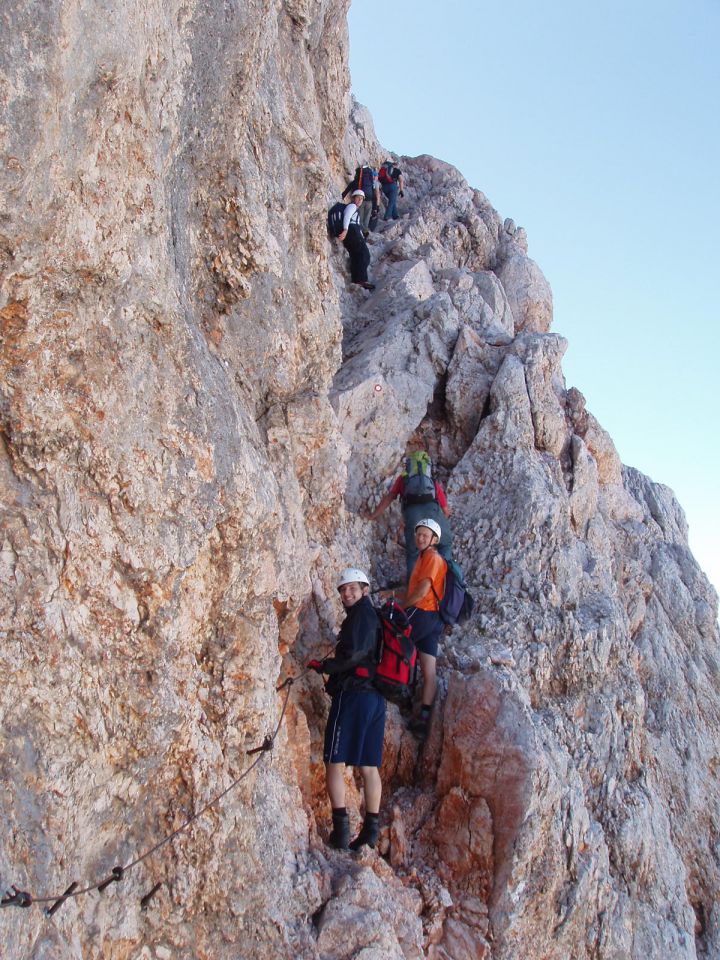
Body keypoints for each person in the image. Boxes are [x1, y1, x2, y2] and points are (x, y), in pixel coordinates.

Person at [307, 567, 386, 850]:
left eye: (352, 588)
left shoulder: (362, 616)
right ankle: (370, 832)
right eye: (343, 589)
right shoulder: (372, 616)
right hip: (376, 699)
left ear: (365, 589)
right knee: (368, 766)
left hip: (354, 696)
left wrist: (325, 666)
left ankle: (341, 831)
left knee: (334, 760)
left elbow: (354, 655)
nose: (347, 593)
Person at [391, 519, 446, 740]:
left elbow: (422, 592)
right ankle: (423, 719)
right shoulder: (425, 558)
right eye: (418, 534)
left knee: (395, 645)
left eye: (425, 535)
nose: (420, 538)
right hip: (434, 619)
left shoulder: (432, 558)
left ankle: (395, 692)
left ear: (434, 539)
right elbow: (415, 588)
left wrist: (400, 608)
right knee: (428, 669)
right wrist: (394, 595)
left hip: (421, 613)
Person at [368, 452, 452, 579]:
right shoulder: (432, 482)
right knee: (445, 544)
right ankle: (445, 580)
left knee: (413, 554)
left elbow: (389, 498)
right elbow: (446, 511)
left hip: (413, 518)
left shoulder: (404, 479)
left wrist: (373, 515)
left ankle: (412, 589)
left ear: (408, 466)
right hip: (434, 515)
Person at [338, 191, 375, 290]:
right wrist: (345, 230)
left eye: (361, 199)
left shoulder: (355, 208)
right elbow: (347, 217)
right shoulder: (352, 207)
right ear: (353, 198)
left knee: (356, 256)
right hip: (352, 232)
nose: (359, 200)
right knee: (364, 255)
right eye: (358, 198)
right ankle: (361, 280)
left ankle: (356, 280)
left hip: (353, 233)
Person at [342, 164, 380, 236]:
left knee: (360, 218)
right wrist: (375, 207)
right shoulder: (371, 182)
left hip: (361, 200)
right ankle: (364, 232)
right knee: (366, 219)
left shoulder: (357, 181)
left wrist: (343, 195)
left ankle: (361, 233)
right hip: (370, 202)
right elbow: (375, 195)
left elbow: (349, 187)